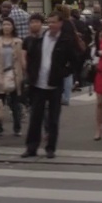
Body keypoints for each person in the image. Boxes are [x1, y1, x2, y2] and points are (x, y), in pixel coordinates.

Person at [22, 12, 78, 158]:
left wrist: (63, 72)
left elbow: (75, 61)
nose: (51, 25)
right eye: (49, 22)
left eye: (54, 22)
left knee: (53, 118)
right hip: (38, 83)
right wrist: (30, 73)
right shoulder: (41, 38)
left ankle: (50, 148)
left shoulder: (65, 41)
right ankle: (31, 147)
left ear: (60, 24)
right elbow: (31, 56)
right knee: (35, 117)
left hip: (54, 84)